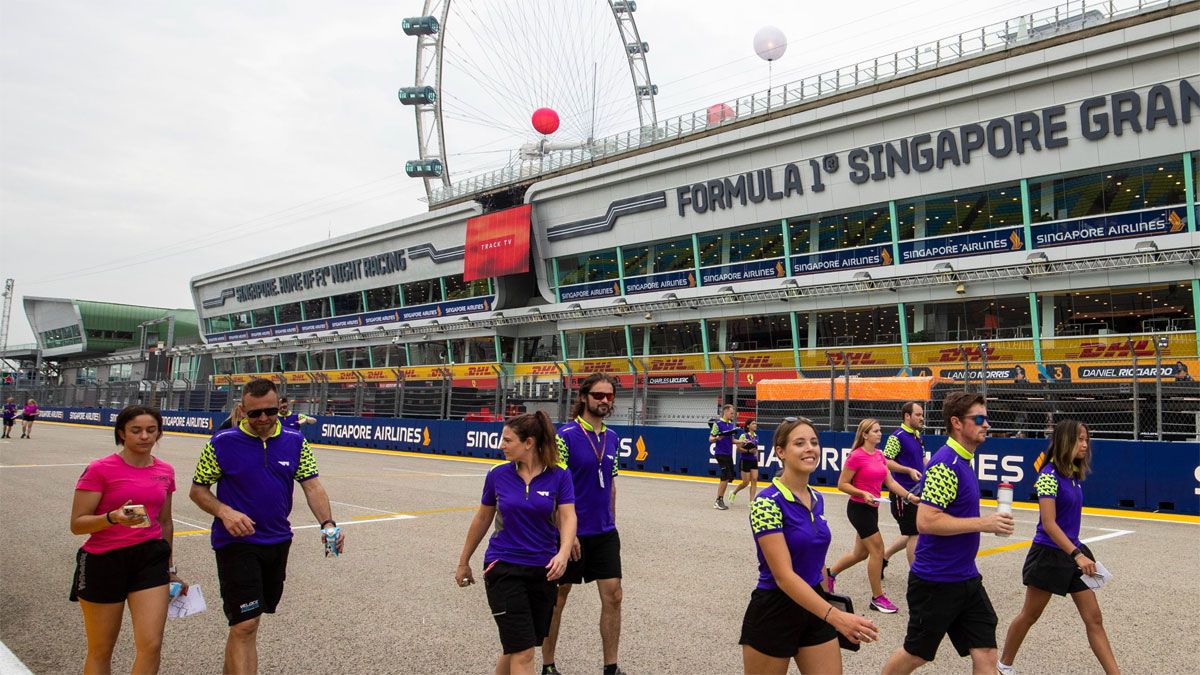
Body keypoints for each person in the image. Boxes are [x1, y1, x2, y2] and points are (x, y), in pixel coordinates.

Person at [190, 378, 344, 674]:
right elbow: (197, 490)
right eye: (254, 413)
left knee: (245, 624)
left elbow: (312, 486)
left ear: (279, 408)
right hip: (235, 542)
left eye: (270, 412)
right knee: (246, 624)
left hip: (277, 541)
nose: (263, 419)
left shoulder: (296, 441)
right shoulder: (221, 443)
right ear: (241, 410)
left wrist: (328, 524)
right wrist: (224, 511)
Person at [882, 392, 1015, 674]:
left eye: (986, 418)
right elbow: (927, 522)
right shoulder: (946, 464)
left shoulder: (963, 461)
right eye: (979, 418)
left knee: (987, 652)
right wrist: (984, 523)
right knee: (916, 655)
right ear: (956, 422)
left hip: (966, 577)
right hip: (935, 582)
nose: (986, 424)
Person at [740, 417, 881, 674]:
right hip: (775, 611)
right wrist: (838, 618)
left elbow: (817, 557)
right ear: (781, 452)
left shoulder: (817, 498)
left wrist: (827, 591)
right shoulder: (766, 503)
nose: (810, 448)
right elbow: (783, 577)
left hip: (815, 604)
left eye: (814, 442)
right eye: (800, 443)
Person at [456, 412, 578, 675]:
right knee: (523, 652)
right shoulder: (497, 474)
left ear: (529, 443)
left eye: (507, 439)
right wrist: (464, 561)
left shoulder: (560, 475)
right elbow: (482, 518)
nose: (501, 444)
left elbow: (568, 516)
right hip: (504, 568)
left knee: (517, 647)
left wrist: (563, 552)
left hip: (543, 570)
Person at [69, 405, 186, 674]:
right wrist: (111, 518)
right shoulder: (100, 469)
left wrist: (170, 568)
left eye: (151, 430)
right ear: (122, 433)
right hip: (104, 560)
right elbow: (77, 524)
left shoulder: (165, 471)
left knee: (152, 644)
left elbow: (165, 522)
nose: (144, 436)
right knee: (101, 649)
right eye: (136, 430)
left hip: (149, 558)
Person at [998, 420, 1118, 674]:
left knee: (1094, 618)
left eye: (1087, 439)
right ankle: (1003, 665)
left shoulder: (1073, 474)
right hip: (1050, 554)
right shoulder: (1048, 476)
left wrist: (1078, 554)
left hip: (1073, 553)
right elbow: (1050, 524)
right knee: (1029, 615)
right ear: (1066, 441)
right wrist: (1077, 555)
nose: (1086, 445)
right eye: (1081, 439)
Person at [541, 373, 624, 675]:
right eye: (598, 395)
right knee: (559, 597)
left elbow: (611, 485)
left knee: (614, 595)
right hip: (570, 533)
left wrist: (612, 521)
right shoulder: (565, 437)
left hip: (604, 532)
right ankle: (548, 665)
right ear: (584, 397)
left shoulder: (613, 437)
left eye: (609, 396)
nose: (604, 401)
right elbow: (554, 489)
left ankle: (611, 667)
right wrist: (565, 534)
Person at [825, 418, 920, 614]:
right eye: (875, 431)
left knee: (860, 554)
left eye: (879, 430)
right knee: (878, 551)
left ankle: (829, 574)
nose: (879, 433)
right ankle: (877, 598)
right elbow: (842, 484)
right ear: (865, 435)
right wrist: (862, 493)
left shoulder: (879, 455)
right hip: (859, 509)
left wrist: (909, 496)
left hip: (873, 508)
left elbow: (891, 483)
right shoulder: (856, 456)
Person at [882, 403, 927, 569]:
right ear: (907, 416)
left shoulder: (917, 436)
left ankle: (884, 557)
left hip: (918, 492)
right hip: (903, 493)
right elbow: (885, 461)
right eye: (918, 414)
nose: (922, 418)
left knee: (914, 531)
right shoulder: (897, 437)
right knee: (914, 533)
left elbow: (923, 460)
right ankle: (917, 576)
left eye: (922, 414)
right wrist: (907, 470)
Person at [710, 404, 739, 510]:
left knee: (729, 477)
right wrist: (718, 438)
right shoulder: (717, 424)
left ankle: (720, 499)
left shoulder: (731, 425)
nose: (733, 415)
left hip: (728, 454)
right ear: (725, 411)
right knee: (725, 476)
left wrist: (742, 441)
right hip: (720, 453)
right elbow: (710, 439)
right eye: (731, 413)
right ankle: (718, 500)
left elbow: (732, 440)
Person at [729, 419, 761, 505]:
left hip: (753, 461)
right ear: (748, 426)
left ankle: (751, 501)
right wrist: (748, 451)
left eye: (755, 423)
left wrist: (756, 457)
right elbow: (738, 448)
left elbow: (756, 449)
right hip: (745, 460)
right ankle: (733, 492)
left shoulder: (756, 436)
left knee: (754, 480)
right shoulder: (743, 436)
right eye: (753, 423)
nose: (755, 425)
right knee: (746, 482)